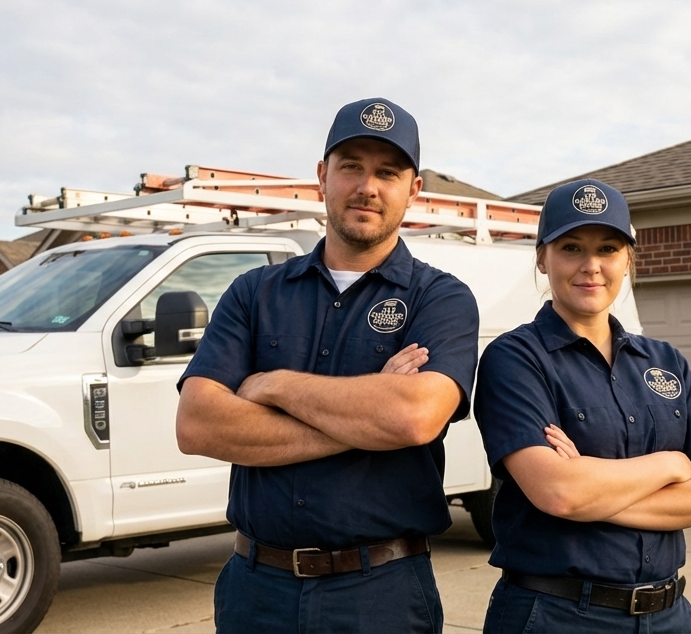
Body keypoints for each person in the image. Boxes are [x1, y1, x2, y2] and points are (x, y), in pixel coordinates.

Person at [175, 98, 481, 634]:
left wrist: (272, 383)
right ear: (322, 177)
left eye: (388, 172)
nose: (368, 186)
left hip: (380, 595)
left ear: (413, 191)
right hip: (256, 591)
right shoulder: (254, 292)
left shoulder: (441, 299)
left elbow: (413, 418)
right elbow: (198, 423)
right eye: (351, 167)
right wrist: (368, 413)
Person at [474, 178, 691, 634]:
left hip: (668, 616)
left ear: (628, 259)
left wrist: (591, 489)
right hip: (556, 615)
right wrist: (672, 464)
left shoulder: (666, 362)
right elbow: (559, 493)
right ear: (541, 258)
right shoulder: (515, 360)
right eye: (571, 247)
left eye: (608, 249)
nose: (591, 266)